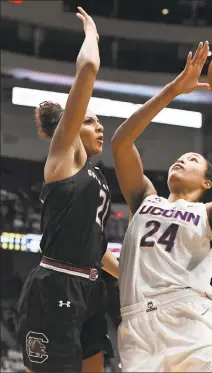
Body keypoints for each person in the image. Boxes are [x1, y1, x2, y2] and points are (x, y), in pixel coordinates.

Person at [111, 41, 212, 372]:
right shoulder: (145, 199)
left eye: (192, 159)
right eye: (180, 157)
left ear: (207, 183)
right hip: (136, 327)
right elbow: (121, 142)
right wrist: (174, 89)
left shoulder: (208, 214)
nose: (181, 160)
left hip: (189, 316)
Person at [17, 7, 118, 373]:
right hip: (56, 285)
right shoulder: (63, 157)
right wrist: (91, 32)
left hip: (91, 287)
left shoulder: (96, 176)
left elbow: (97, 244)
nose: (100, 127)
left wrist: (140, 280)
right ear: (72, 126)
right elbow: (88, 69)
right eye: (90, 121)